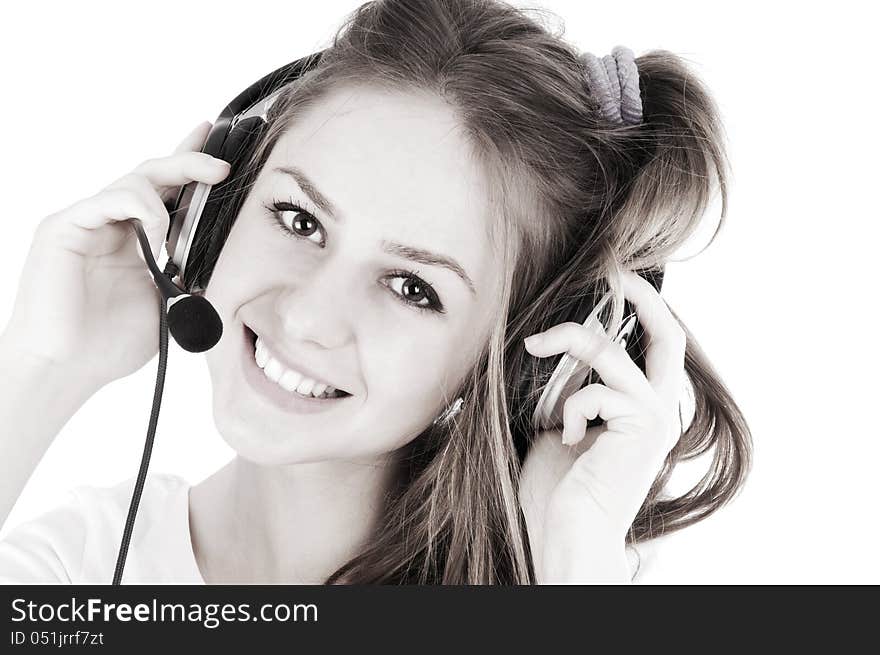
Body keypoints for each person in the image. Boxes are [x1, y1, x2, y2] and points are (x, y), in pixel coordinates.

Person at [0, 0, 751, 584]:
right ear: (209, 213)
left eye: (411, 286)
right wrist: (45, 368)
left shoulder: (571, 581)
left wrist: (570, 568)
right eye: (298, 219)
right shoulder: (81, 564)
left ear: (530, 366)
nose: (308, 314)